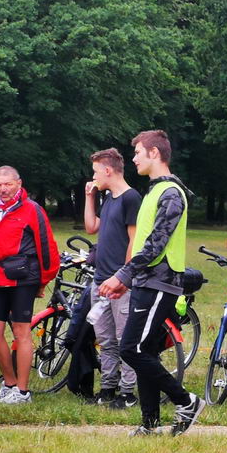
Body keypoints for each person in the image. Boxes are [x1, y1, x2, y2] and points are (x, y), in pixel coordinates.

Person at [99, 129, 205, 436]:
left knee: (131, 349)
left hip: (160, 282)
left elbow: (156, 243)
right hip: (146, 281)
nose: (133, 159)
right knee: (144, 350)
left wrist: (123, 274)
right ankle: (150, 424)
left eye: (137, 153)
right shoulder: (154, 191)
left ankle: (186, 401)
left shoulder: (171, 193)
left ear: (154, 153)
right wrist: (129, 278)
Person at [0, 166, 59, 404]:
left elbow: (46, 246)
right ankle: (9, 384)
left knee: (21, 332)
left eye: (8, 184)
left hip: (24, 276)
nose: (3, 189)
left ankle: (23, 392)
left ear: (19, 183)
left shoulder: (32, 209)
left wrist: (44, 280)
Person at [83, 147, 142, 408]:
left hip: (120, 283)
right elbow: (91, 227)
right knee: (105, 340)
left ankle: (128, 393)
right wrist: (89, 197)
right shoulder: (108, 198)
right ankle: (108, 387)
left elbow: (134, 242)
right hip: (100, 280)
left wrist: (123, 277)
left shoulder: (131, 198)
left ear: (108, 170)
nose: (94, 177)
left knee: (124, 339)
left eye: (96, 171)